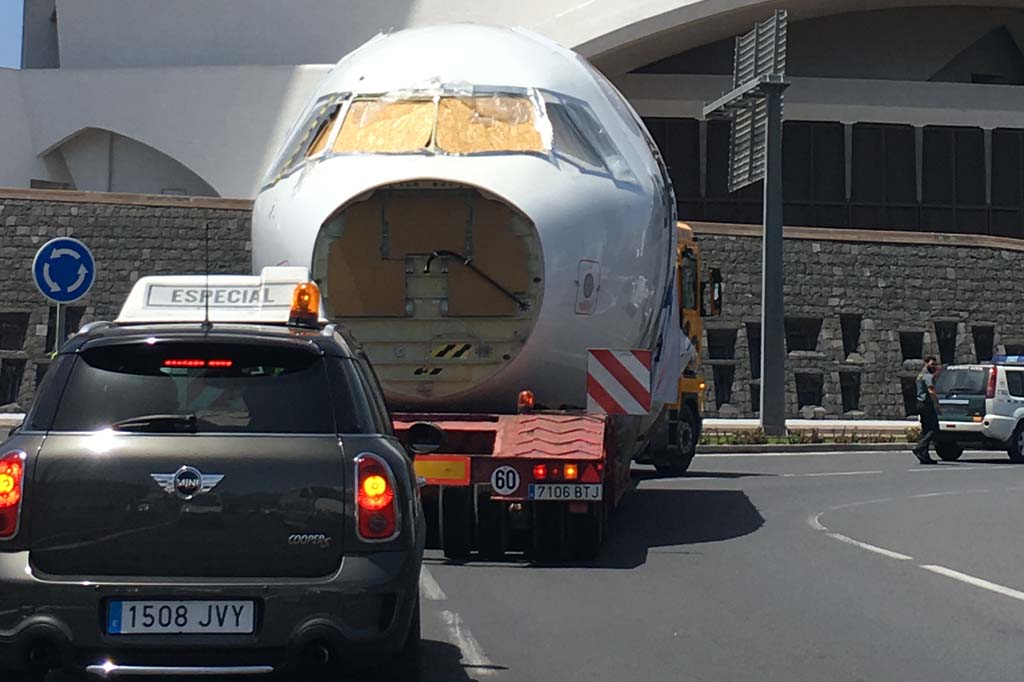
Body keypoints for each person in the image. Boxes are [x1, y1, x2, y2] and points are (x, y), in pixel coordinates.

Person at [913, 356, 941, 464]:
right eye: (932, 364)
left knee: (925, 430)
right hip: (927, 404)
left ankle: (924, 456)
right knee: (934, 429)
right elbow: (931, 391)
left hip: (919, 403)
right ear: (926, 363)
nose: (934, 366)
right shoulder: (927, 376)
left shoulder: (920, 375)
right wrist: (937, 405)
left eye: (935, 364)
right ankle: (919, 448)